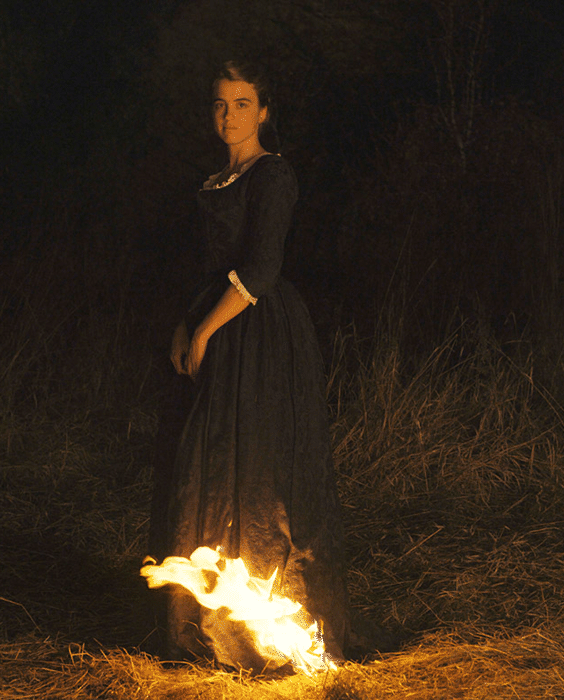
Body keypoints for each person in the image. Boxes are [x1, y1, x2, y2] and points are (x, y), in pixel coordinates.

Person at [149, 59, 350, 669]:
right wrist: (186, 324)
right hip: (213, 329)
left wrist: (208, 326)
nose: (229, 115)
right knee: (204, 468)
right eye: (219, 104)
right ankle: (205, 623)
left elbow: (260, 270)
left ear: (263, 111)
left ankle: (273, 621)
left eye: (242, 103)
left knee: (259, 472)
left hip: (258, 333)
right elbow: (203, 269)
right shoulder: (213, 182)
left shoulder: (274, 175)